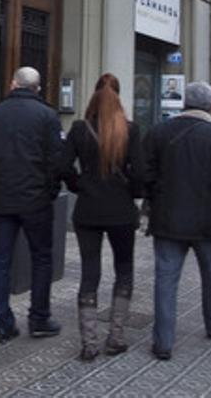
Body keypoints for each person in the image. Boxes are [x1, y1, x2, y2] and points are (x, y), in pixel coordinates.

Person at [142, 81, 211, 360]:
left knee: (165, 279)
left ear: (184, 103)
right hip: (209, 222)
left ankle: (163, 341)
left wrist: (155, 201)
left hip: (168, 219)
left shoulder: (159, 132)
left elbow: (144, 176)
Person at [0, 66, 65, 343]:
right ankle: (39, 318)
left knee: (0, 259)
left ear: (13, 84)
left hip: (1, 199)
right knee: (42, 258)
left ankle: (3, 323)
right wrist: (50, 191)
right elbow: (55, 160)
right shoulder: (48, 116)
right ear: (38, 87)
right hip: (36, 200)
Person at [56, 74, 143, 360]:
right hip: (121, 211)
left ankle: (89, 342)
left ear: (93, 96)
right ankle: (116, 336)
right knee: (124, 269)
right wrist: (131, 189)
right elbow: (141, 174)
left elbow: (61, 166)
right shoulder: (130, 130)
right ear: (119, 97)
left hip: (88, 210)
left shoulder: (79, 129)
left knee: (89, 272)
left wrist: (78, 184)